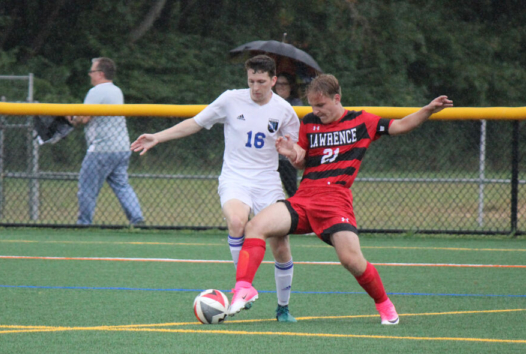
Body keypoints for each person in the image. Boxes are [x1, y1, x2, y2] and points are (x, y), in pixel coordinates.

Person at [227, 73, 453, 325]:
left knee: (351, 260)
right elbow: (302, 161)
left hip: (335, 202)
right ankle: (244, 287)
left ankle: (384, 304)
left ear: (337, 98)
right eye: (313, 105)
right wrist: (292, 153)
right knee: (255, 226)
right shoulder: (310, 122)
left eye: (321, 105)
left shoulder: (362, 121)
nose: (316, 110)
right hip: (304, 199)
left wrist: (428, 110)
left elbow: (400, 125)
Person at [131, 55, 300, 322]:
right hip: (235, 177)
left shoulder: (285, 111)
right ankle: (242, 289)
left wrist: (292, 153)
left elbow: (298, 154)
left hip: (267, 182)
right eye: (251, 81)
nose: (255, 87)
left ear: (273, 81)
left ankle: (283, 308)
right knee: (236, 220)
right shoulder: (231, 99)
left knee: (280, 244)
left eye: (261, 81)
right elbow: (195, 123)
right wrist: (158, 137)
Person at [69, 57, 144, 226]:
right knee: (122, 186)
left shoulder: (96, 91)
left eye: (92, 71)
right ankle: (137, 219)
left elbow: (85, 118)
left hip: (101, 149)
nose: (90, 74)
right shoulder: (116, 90)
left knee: (87, 189)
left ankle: (83, 223)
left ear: (100, 73)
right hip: (122, 147)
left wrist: (71, 117)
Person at [274, 72, 303, 197]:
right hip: (270, 155)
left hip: (286, 156)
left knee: (291, 190)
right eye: (278, 83)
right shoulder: (270, 102)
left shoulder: (296, 104)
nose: (280, 86)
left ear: (291, 86)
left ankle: (296, 215)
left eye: (284, 83)